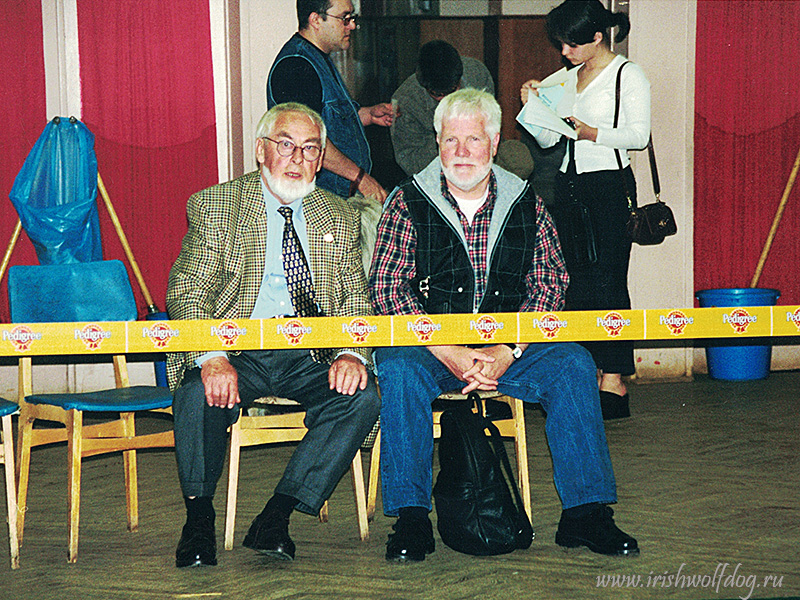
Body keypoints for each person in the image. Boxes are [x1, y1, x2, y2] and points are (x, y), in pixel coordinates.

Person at [369, 88, 638, 562]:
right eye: (451, 141)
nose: (462, 152)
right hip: (432, 350)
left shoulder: (527, 203)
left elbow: (551, 283)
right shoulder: (404, 201)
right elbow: (389, 289)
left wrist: (507, 349)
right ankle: (411, 518)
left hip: (509, 347)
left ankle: (587, 513)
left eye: (473, 140)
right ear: (437, 142)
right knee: (398, 371)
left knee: (574, 363)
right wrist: (447, 349)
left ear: (494, 142)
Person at [167, 103, 380, 568]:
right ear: (262, 150)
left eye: (310, 149)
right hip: (238, 349)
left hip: (310, 353)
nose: (297, 158)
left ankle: (276, 516)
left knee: (361, 397)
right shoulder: (215, 205)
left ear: (321, 158)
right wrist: (212, 357)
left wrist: (351, 352)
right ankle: (198, 520)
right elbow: (186, 292)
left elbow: (355, 298)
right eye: (286, 145)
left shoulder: (338, 214)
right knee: (196, 392)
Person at [520, 0, 650, 420]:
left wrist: (592, 132)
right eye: (561, 45)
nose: (564, 52)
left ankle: (614, 379)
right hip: (568, 184)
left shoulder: (627, 74)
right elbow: (545, 141)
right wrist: (532, 105)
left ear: (597, 37)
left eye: (572, 45)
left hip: (609, 185)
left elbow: (639, 134)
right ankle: (581, 376)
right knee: (571, 280)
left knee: (610, 277)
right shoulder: (565, 77)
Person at [268, 0, 394, 202]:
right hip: (317, 202)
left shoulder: (319, 58)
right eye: (345, 18)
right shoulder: (297, 66)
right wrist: (360, 178)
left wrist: (367, 115)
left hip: (336, 198)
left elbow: (326, 120)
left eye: (352, 18)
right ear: (316, 20)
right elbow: (307, 141)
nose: (352, 25)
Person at [390, 40, 496, 177]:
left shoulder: (477, 75)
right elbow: (410, 162)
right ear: (424, 86)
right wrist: (447, 136)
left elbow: (490, 128)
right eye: (438, 95)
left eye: (452, 91)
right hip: (435, 171)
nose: (447, 99)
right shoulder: (406, 102)